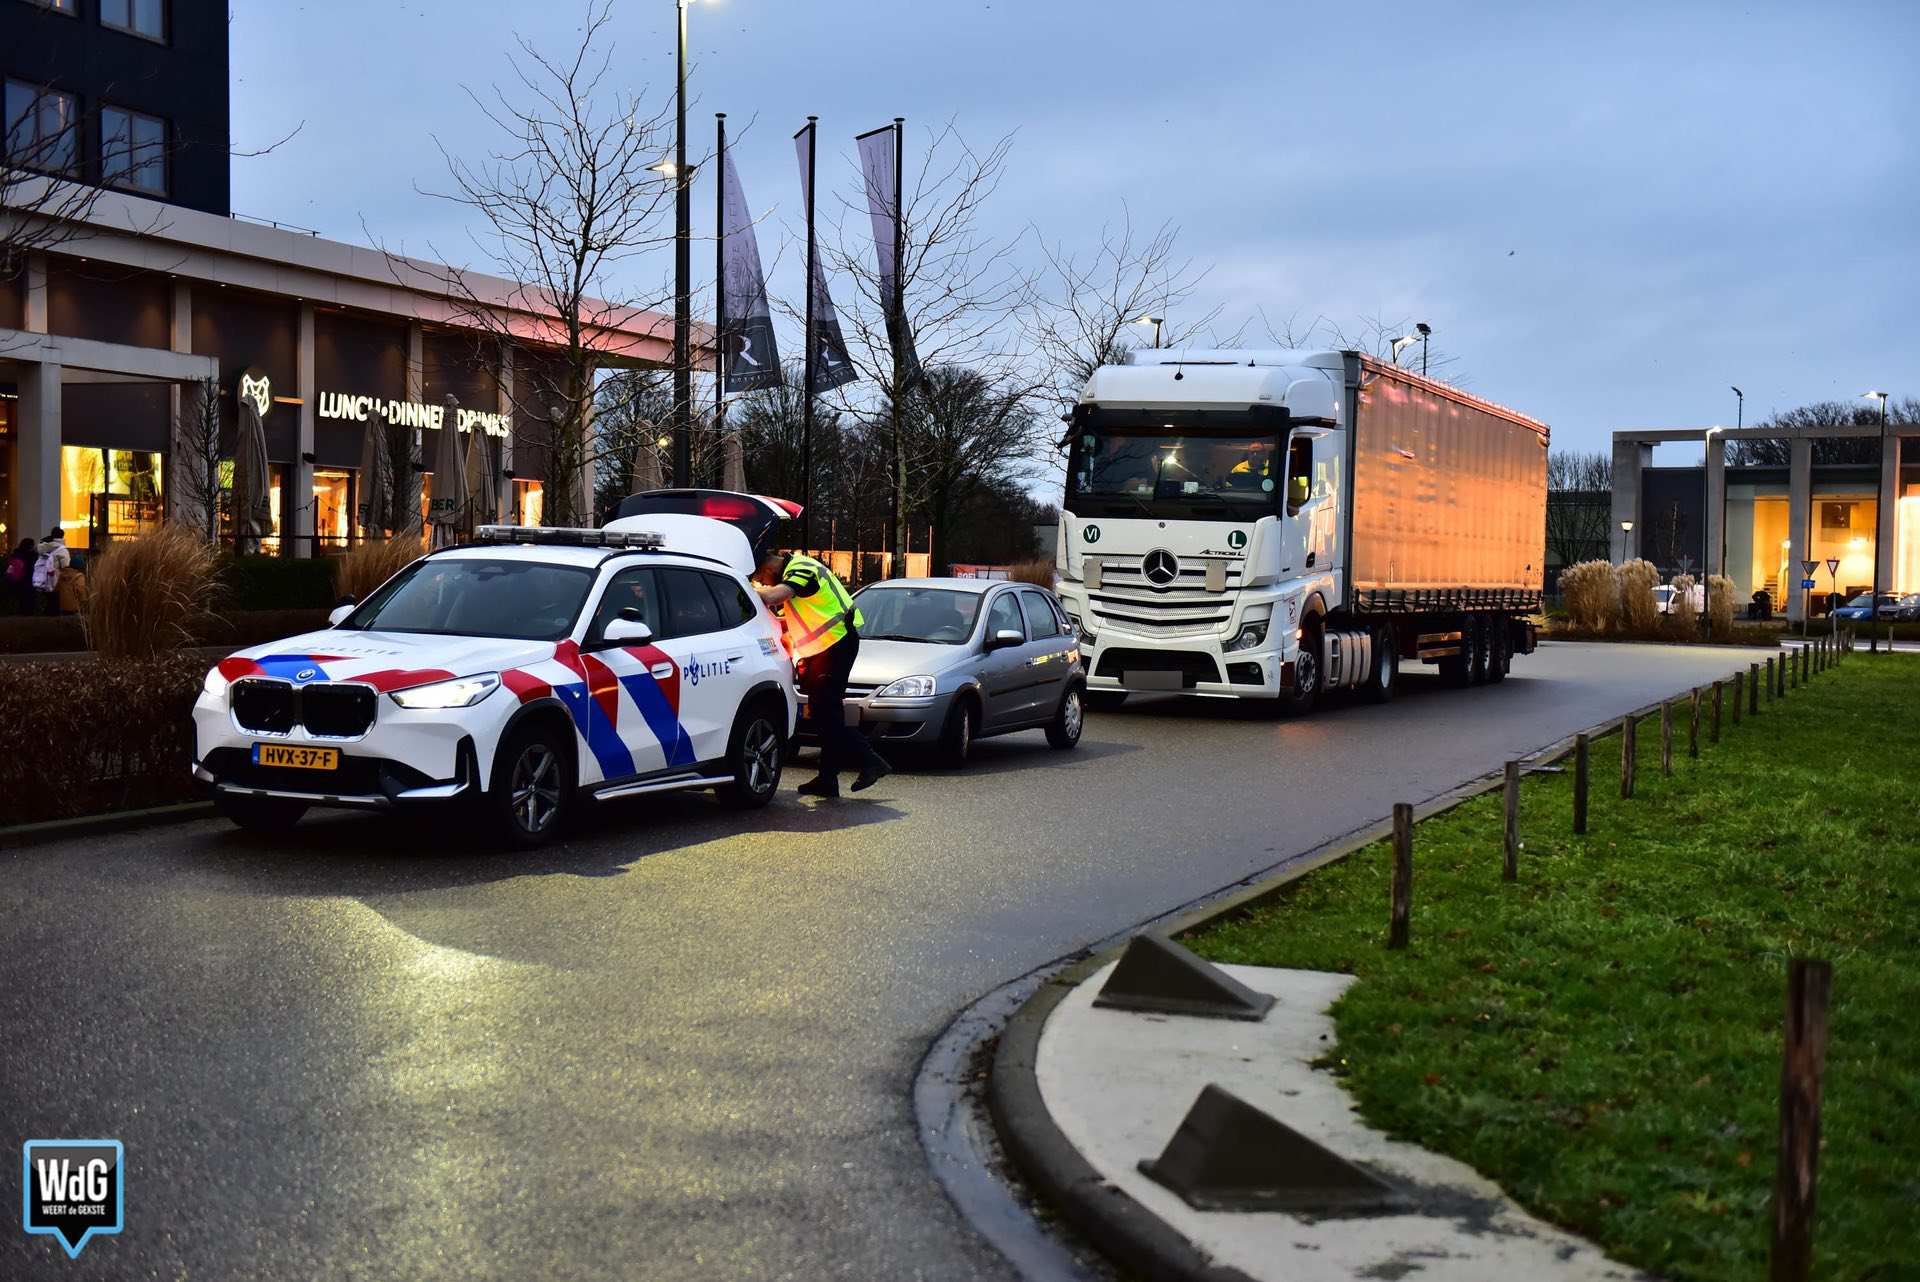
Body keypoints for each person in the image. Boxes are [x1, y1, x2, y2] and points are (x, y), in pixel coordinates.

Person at [752, 549, 892, 798]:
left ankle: (871, 761)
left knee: (828, 714)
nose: (762, 583)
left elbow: (775, 596)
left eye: (760, 578)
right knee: (824, 714)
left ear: (768, 567)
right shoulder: (792, 571)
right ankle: (828, 778)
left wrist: (746, 593)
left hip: (836, 645)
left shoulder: (802, 568)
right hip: (826, 649)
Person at [32, 528, 70, 616]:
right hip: (55, 575)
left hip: (43, 575)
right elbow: (65, 564)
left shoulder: (42, 547)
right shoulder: (62, 550)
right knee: (55, 595)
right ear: (62, 536)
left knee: (47, 595)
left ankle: (46, 611)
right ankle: (53, 612)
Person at [5, 538, 36, 616]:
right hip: (29, 581)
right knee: (29, 601)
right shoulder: (32, 556)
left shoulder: (15, 554)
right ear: (31, 546)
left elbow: (10, 568)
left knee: (20, 600)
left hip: (17, 581)